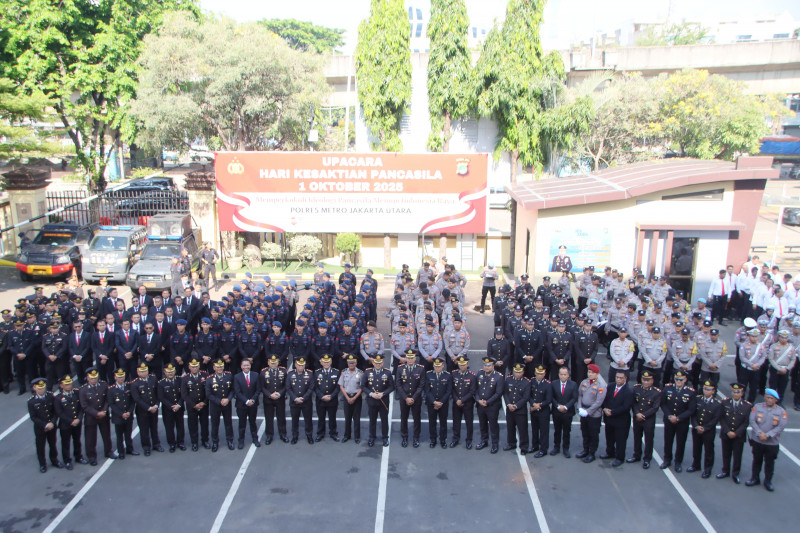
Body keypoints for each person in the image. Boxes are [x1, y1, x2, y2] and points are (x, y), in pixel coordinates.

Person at [746, 389, 788, 491]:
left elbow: (781, 426)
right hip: (758, 440)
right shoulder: (757, 407)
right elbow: (752, 420)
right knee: (757, 460)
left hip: (772, 443)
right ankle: (755, 478)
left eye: (771, 398)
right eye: (767, 397)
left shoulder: (781, 411)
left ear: (776, 400)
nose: (769, 400)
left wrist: (768, 435)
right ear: (765, 397)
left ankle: (768, 481)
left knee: (769, 463)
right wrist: (760, 433)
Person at [659, 371, 696, 472]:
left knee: (681, 442)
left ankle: (678, 462)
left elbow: (691, 409)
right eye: (677, 379)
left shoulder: (690, 392)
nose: (678, 381)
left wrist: (679, 418)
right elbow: (663, 404)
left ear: (685, 380)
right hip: (669, 420)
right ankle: (667, 459)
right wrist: (669, 416)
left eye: (681, 379)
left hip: (682, 422)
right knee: (668, 440)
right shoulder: (667, 388)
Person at [79, 367, 115, 465]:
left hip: (103, 415)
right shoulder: (83, 390)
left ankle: (108, 451)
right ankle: (91, 456)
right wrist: (96, 413)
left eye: (95, 377)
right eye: (92, 378)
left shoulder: (103, 385)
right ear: (87, 378)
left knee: (106, 435)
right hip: (91, 417)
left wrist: (103, 411)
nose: (94, 379)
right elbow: (84, 406)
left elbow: (107, 399)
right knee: (91, 438)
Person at [717, 382, 751, 484]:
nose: (736, 394)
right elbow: (721, 418)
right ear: (731, 392)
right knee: (726, 453)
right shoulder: (725, 403)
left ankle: (735, 473)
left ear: (742, 393)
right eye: (734, 392)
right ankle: (725, 471)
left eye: (738, 392)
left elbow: (746, 422)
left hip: (738, 435)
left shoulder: (747, 406)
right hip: (726, 433)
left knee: (737, 455)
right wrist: (727, 431)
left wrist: (736, 433)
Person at [687, 380, 722, 478]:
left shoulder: (717, 404)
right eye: (705, 389)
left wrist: (705, 428)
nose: (706, 391)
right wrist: (696, 425)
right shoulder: (698, 399)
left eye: (709, 389)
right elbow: (693, 414)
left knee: (709, 450)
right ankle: (696, 464)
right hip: (697, 428)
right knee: (696, 447)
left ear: (713, 391)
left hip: (708, 431)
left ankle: (708, 469)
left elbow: (715, 419)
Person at [28, 378, 63, 472]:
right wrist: (45, 425)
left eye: (43, 388)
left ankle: (54, 460)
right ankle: (42, 464)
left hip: (52, 425)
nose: (42, 390)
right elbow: (33, 417)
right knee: (40, 446)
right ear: (35, 388)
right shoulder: (31, 402)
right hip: (41, 428)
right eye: (39, 388)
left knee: (53, 444)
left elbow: (55, 411)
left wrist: (52, 422)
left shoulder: (50, 396)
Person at [628, 370, 661, 469]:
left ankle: (647, 459)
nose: (646, 382)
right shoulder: (636, 389)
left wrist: (643, 415)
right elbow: (633, 402)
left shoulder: (656, 392)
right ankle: (636, 455)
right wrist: (637, 413)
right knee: (637, 437)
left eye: (648, 380)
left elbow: (655, 407)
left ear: (652, 381)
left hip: (648, 419)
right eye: (644, 380)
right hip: (637, 417)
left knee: (648, 439)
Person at [601, 371, 634, 467]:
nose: (618, 379)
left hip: (621, 420)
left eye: (621, 378)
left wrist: (612, 411)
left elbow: (626, 406)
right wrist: (605, 408)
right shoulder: (610, 386)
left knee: (620, 440)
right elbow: (605, 399)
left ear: (625, 379)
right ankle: (610, 452)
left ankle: (620, 457)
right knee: (609, 437)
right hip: (609, 418)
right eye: (617, 377)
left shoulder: (629, 391)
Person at [54, 374, 86, 469]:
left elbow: (81, 408)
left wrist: (78, 419)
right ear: (61, 385)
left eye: (70, 384)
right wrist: (71, 421)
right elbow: (59, 412)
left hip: (77, 422)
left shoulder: (76, 393)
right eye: (66, 384)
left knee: (77, 440)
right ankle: (67, 460)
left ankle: (78, 456)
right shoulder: (58, 398)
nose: (69, 386)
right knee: (66, 443)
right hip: (65, 424)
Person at [130, 363, 163, 456]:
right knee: (144, 430)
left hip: (154, 408)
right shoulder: (134, 383)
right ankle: (146, 447)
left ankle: (156, 444)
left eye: (145, 371)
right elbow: (137, 399)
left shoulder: (153, 379)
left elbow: (157, 393)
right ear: (137, 372)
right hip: (142, 410)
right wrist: (148, 408)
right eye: (141, 371)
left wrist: (156, 405)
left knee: (154, 427)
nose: (144, 373)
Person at [362, 354, 394, 447]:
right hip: (372, 400)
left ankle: (385, 437)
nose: (378, 365)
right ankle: (372, 437)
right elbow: (363, 386)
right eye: (376, 363)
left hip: (383, 400)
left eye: (380, 363)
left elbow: (392, 386)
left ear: (382, 363)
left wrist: (383, 394)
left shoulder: (387, 373)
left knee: (384, 420)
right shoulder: (367, 372)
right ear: (373, 363)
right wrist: (371, 394)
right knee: (372, 420)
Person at [575, 364, 605, 462]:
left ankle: (592, 453)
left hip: (594, 413)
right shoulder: (584, 382)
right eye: (589, 372)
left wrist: (588, 411)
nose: (590, 374)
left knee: (593, 434)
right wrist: (579, 407)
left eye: (592, 373)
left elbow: (599, 402)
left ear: (597, 374)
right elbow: (580, 395)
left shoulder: (601, 386)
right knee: (585, 432)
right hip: (583, 411)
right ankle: (585, 449)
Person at [396, 350, 424, 448]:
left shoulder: (420, 369)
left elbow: (421, 385)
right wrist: (406, 398)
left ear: (415, 358)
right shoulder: (400, 369)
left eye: (412, 358)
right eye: (408, 358)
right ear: (406, 358)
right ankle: (404, 437)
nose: (410, 360)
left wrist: (413, 397)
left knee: (417, 418)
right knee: (404, 418)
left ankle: (416, 438)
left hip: (416, 398)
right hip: (404, 398)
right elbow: (398, 385)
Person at [107, 368, 137, 460]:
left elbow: (132, 401)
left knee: (128, 434)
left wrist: (129, 411)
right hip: (118, 417)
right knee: (119, 435)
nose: (121, 378)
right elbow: (112, 404)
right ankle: (121, 452)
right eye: (119, 377)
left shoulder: (128, 387)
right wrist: (121, 414)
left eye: (122, 376)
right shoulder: (111, 390)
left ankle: (130, 449)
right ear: (115, 377)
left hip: (128, 414)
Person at [206, 359, 235, 452]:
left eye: (221, 366)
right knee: (215, 424)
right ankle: (215, 442)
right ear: (214, 368)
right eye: (217, 367)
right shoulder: (209, 379)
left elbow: (232, 390)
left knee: (228, 423)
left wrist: (228, 399)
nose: (219, 368)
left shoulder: (229, 376)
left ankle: (230, 440)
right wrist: (219, 401)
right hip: (215, 405)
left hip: (227, 404)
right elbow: (208, 394)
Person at [182, 359, 210, 451]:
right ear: (189, 367)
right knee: (192, 425)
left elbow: (208, 391)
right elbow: (184, 394)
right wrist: (193, 405)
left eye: (196, 366)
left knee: (204, 424)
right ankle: (194, 442)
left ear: (199, 366)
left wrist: (204, 402)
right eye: (193, 367)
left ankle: (205, 440)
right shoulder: (185, 378)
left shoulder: (205, 375)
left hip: (203, 405)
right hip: (192, 406)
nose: (195, 368)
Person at [423, 358, 452, 449]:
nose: (437, 368)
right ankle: (433, 440)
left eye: (439, 366)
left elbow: (448, 391)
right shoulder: (428, 375)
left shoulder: (448, 376)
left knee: (443, 422)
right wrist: (434, 402)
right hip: (431, 403)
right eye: (435, 366)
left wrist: (441, 402)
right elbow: (427, 391)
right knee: (432, 422)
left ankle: (443, 440)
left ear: (443, 366)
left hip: (443, 404)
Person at [260, 354, 289, 445]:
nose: (273, 364)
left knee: (281, 417)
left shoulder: (283, 371)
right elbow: (262, 387)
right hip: (268, 399)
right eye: (271, 363)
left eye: (275, 363)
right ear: (268, 363)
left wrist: (280, 393)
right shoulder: (263, 372)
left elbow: (286, 385)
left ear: (278, 363)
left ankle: (283, 434)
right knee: (269, 418)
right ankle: (269, 435)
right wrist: (270, 395)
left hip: (280, 398)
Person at [158, 364, 186, 452]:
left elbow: (183, 394)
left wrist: (179, 405)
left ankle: (180, 442)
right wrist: (171, 406)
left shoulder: (180, 380)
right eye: (168, 372)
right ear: (164, 372)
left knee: (180, 426)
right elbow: (161, 397)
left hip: (179, 407)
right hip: (168, 409)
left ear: (175, 371)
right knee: (169, 427)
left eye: (172, 371)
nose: (170, 373)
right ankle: (172, 444)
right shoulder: (161, 383)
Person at [450, 355, 476, 449]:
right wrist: (457, 399)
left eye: (464, 364)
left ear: (467, 364)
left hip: (467, 403)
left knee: (469, 422)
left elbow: (472, 391)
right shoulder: (454, 374)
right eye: (460, 364)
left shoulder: (472, 376)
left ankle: (469, 440)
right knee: (456, 422)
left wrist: (463, 400)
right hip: (456, 402)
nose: (462, 366)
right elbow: (452, 389)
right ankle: (455, 439)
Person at [504, 363, 531, 453]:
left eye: (519, 372)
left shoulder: (527, 382)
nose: (517, 374)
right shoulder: (508, 380)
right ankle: (511, 443)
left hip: (520, 410)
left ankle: (524, 447)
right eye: (516, 372)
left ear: (523, 372)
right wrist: (508, 404)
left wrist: (516, 406)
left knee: (522, 429)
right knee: (510, 427)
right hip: (510, 408)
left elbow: (526, 397)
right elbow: (506, 393)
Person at [287, 357, 315, 445]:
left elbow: (311, 388)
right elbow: (288, 388)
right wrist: (295, 398)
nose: (301, 367)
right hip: (294, 402)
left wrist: (303, 398)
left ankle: (309, 435)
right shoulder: (290, 374)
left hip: (306, 402)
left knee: (308, 420)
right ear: (295, 364)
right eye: (299, 365)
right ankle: (295, 436)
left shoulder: (310, 374)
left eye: (302, 365)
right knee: (295, 420)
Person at [233, 359, 260, 449]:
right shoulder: (237, 377)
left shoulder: (256, 375)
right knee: (242, 423)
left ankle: (255, 439)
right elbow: (237, 392)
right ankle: (241, 440)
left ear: (250, 366)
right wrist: (246, 401)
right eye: (244, 365)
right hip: (241, 404)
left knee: (253, 422)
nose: (246, 367)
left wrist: (252, 400)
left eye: (247, 365)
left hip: (253, 404)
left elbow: (258, 390)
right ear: (241, 366)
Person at [314, 354, 340, 442]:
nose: (326, 363)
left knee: (332, 418)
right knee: (321, 417)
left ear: (331, 362)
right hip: (320, 400)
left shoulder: (336, 372)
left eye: (328, 362)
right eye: (324, 362)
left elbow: (338, 387)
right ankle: (320, 433)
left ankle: (333, 433)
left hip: (332, 399)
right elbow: (315, 387)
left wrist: (331, 396)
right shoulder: (317, 372)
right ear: (321, 362)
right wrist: (321, 396)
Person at [338, 354, 363, 443]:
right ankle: (347, 435)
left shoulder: (360, 373)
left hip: (356, 397)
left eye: (353, 363)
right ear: (347, 363)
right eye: (349, 363)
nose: (351, 364)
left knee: (356, 418)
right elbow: (341, 386)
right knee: (347, 418)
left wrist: (355, 397)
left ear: (356, 363)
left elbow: (361, 387)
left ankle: (357, 436)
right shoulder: (344, 372)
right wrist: (347, 397)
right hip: (347, 397)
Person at [527, 365, 552, 457]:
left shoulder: (548, 384)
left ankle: (543, 449)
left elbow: (548, 399)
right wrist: (533, 404)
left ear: (544, 374)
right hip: (533, 409)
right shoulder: (532, 381)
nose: (539, 375)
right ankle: (535, 446)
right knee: (534, 429)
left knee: (544, 431)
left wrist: (538, 406)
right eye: (538, 373)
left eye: (541, 374)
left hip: (543, 411)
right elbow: (529, 395)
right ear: (535, 373)